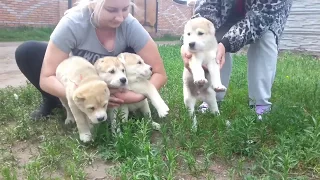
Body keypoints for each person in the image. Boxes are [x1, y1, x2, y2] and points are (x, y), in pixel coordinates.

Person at [15, 0, 167, 120]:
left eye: (125, 9)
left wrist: (137, 96)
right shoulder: (73, 23)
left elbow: (159, 72)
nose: (120, 17)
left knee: (135, 57)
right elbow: (47, 78)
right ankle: (55, 101)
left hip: (124, 86)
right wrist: (85, 96)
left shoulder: (130, 25)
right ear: (93, 4)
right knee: (28, 51)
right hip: (82, 83)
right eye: (111, 10)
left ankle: (125, 107)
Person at [181, 0, 293, 120]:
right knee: (211, 38)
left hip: (264, 16)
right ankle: (212, 98)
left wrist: (225, 44)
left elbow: (259, 20)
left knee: (265, 38)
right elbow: (205, 12)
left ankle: (260, 103)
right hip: (227, 14)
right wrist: (187, 46)